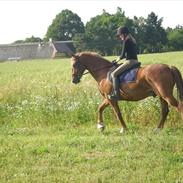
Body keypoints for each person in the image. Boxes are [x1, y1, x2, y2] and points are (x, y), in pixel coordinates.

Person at [109, 26, 139, 100]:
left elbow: (122, 55)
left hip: (130, 62)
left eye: (120, 35)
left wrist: (116, 61)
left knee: (113, 74)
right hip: (136, 61)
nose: (120, 37)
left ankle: (116, 94)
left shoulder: (126, 41)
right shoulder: (133, 40)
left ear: (124, 34)